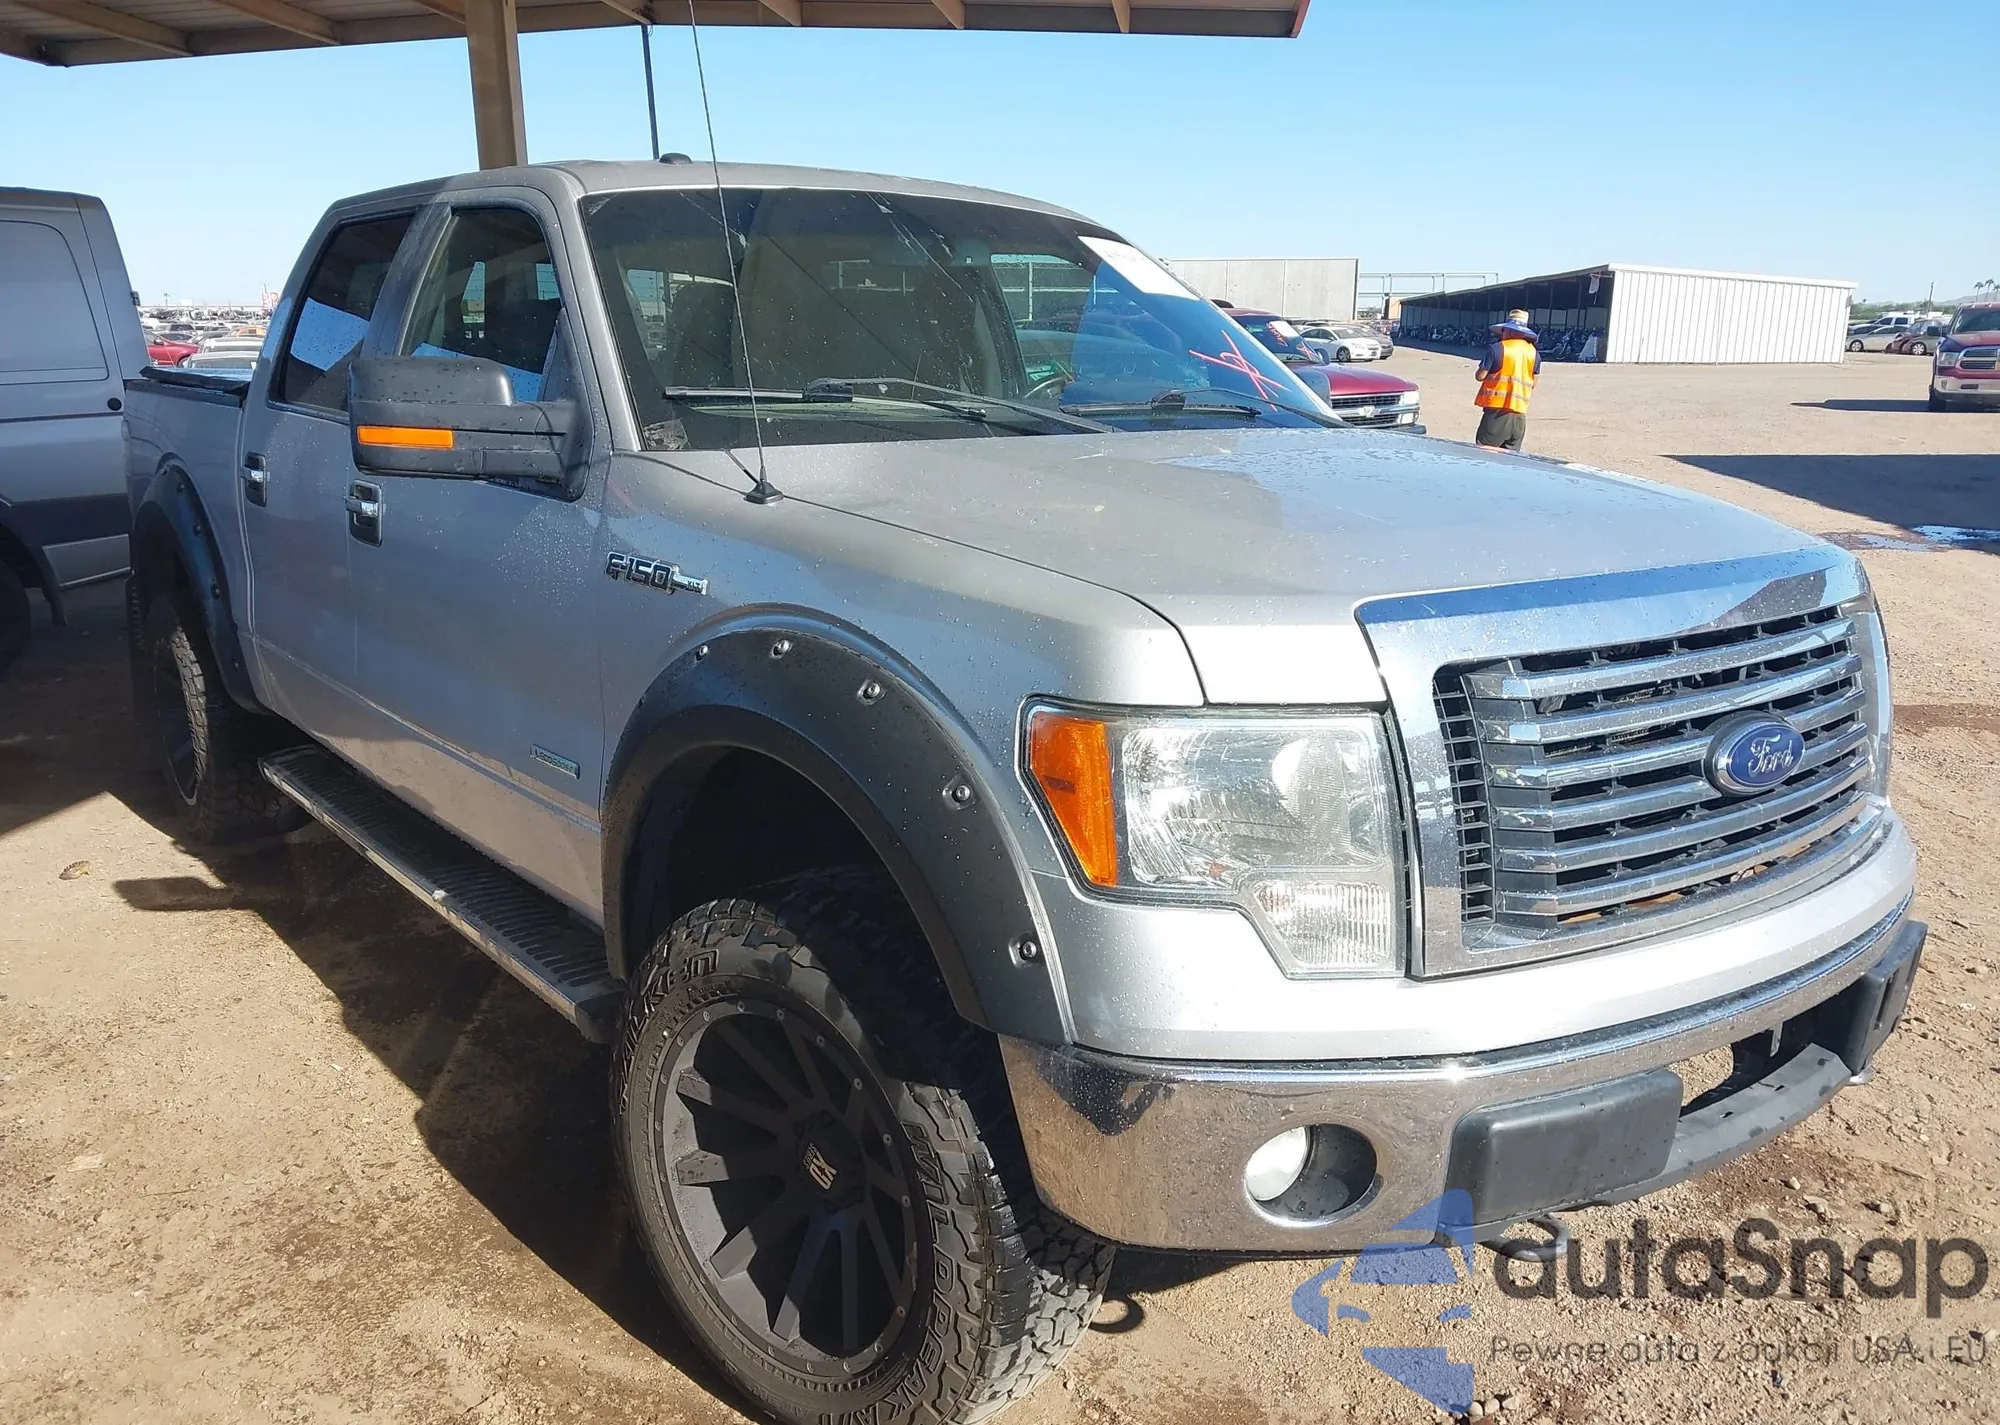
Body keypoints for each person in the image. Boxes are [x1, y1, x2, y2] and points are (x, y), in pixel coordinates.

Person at [1473, 309, 1540, 451]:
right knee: (1510, 459)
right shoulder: (1534, 353)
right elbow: (1534, 383)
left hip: (1496, 415)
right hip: (1519, 417)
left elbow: (1480, 376)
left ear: (1508, 330)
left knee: (1485, 455)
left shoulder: (1497, 349)